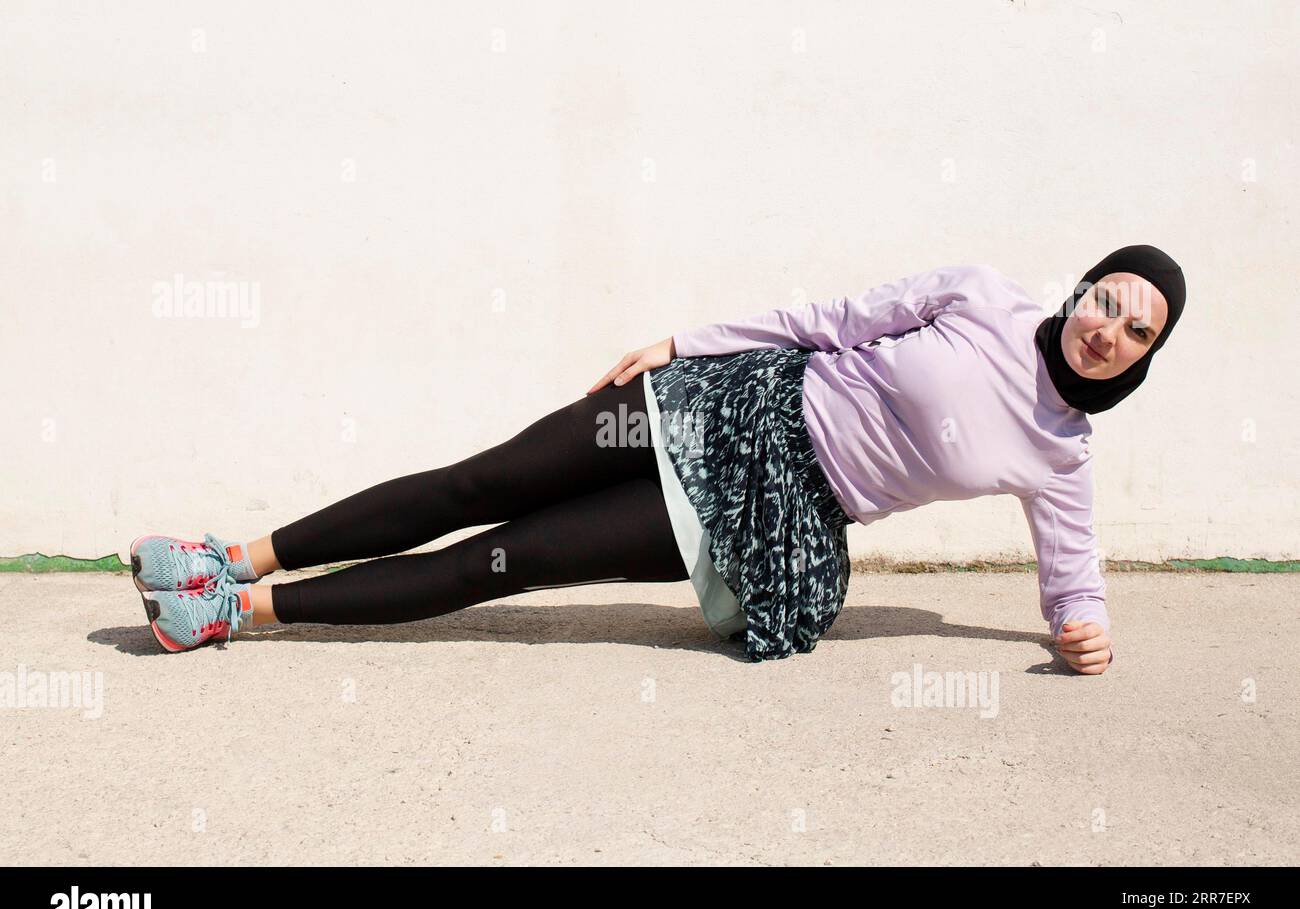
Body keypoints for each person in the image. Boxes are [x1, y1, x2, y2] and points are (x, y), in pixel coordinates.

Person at [129, 244, 1186, 674]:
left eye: (1135, 329)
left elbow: (1072, 566)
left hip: (769, 507)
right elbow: (827, 318)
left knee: (505, 560)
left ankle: (236, 614)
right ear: (1081, 286)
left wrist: (1077, 627)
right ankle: (236, 554)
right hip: (723, 400)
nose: (1107, 327)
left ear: (1141, 355)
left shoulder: (1062, 452)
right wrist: (685, 342)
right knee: (482, 478)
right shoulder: (979, 294)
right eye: (1107, 298)